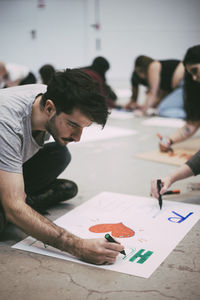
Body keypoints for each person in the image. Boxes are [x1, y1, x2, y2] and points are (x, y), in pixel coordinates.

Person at [0, 68, 124, 264]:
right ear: (49, 108)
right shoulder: (7, 123)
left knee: (60, 154)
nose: (78, 137)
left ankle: (18, 200)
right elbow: (14, 208)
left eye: (84, 128)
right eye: (73, 125)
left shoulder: (49, 94)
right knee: (8, 214)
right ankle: (17, 204)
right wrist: (78, 246)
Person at [158, 45, 200, 152]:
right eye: (191, 74)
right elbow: (192, 124)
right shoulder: (196, 89)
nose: (194, 78)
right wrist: (169, 140)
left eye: (195, 71)